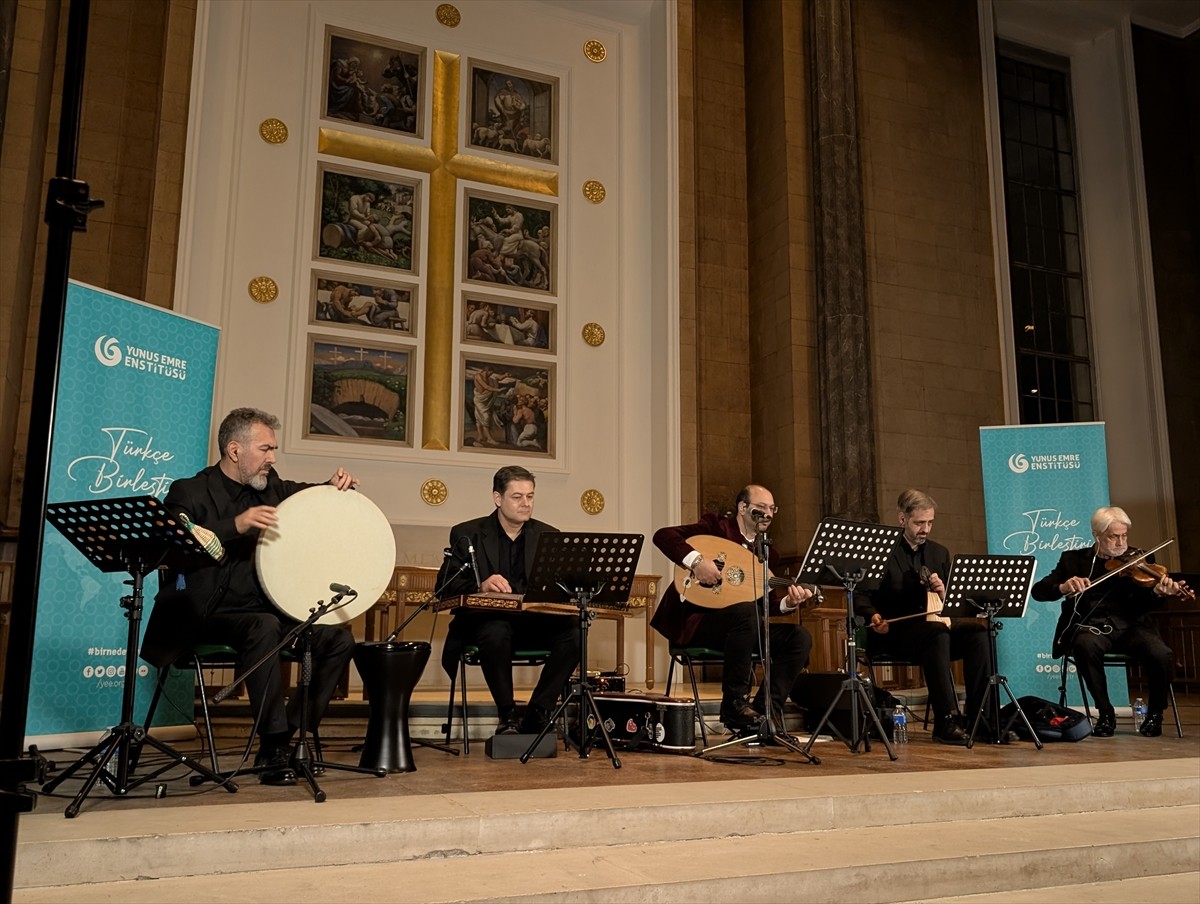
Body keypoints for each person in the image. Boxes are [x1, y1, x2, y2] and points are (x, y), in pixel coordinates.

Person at [141, 408, 358, 786]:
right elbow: (169, 548)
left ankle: (289, 735)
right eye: (266, 449)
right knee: (265, 626)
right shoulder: (188, 491)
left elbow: (307, 495)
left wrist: (333, 485)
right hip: (207, 614)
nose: (273, 458)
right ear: (235, 450)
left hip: (265, 613)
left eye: (273, 450)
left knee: (338, 637)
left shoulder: (271, 485)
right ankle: (273, 746)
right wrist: (234, 526)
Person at [651, 485, 814, 733]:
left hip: (743, 630)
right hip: (698, 622)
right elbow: (663, 536)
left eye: (772, 509)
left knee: (799, 637)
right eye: (762, 508)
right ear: (742, 508)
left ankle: (763, 712)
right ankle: (734, 706)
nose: (768, 514)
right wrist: (697, 562)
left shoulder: (768, 554)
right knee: (746, 613)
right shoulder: (716, 527)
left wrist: (788, 603)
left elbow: (763, 603)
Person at [436, 466, 580, 735]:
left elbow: (561, 587)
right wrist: (481, 585)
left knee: (575, 631)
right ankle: (507, 715)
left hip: (533, 624)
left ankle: (538, 711)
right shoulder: (467, 533)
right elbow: (444, 588)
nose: (526, 504)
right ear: (497, 498)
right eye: (517, 497)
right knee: (496, 629)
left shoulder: (549, 535)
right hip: (486, 626)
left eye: (530, 496)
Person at [1031, 506, 1181, 737]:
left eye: (1124, 536)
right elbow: (1038, 592)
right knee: (1084, 645)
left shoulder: (1141, 560)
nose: (1121, 542)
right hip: (1093, 628)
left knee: (1161, 653)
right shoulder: (1073, 560)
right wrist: (1062, 587)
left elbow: (1143, 605)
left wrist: (1157, 593)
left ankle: (1155, 714)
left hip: (1132, 628)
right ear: (1097, 535)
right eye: (1113, 536)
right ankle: (1105, 712)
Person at [856, 489, 992, 745]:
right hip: (893, 635)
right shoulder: (882, 551)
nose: (925, 529)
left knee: (978, 634)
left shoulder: (939, 553)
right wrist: (873, 615)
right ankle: (946, 720)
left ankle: (980, 719)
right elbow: (860, 595)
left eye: (930, 522)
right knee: (937, 634)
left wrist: (945, 591)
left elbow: (956, 602)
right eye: (919, 522)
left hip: (934, 632)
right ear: (902, 519)